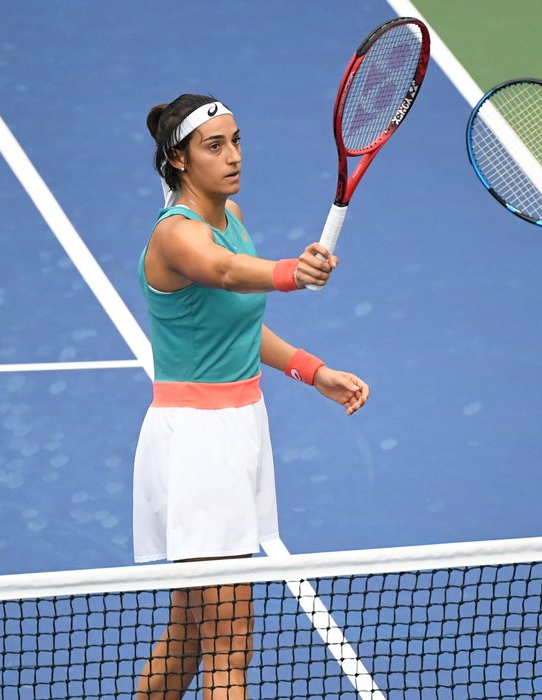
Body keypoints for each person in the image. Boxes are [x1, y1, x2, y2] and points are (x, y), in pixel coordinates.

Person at [133, 94, 370, 700]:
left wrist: (313, 371)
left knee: (189, 634)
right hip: (198, 446)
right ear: (178, 160)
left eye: (236, 140)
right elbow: (228, 274)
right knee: (230, 650)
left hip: (239, 430)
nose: (233, 156)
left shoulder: (229, 215)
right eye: (214, 146)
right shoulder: (176, 237)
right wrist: (295, 271)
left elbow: (237, 320)